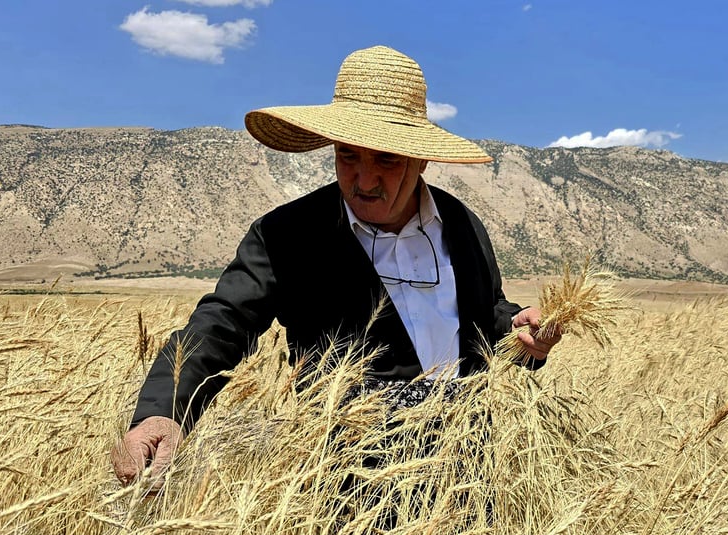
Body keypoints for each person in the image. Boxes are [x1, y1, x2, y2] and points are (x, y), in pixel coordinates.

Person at [111, 45, 562, 487]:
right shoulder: (287, 234)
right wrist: (164, 409)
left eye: (386, 158)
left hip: (465, 475)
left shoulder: (461, 226)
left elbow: (485, 317)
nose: (364, 180)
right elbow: (222, 324)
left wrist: (519, 331)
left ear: (422, 159)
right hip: (343, 489)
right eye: (348, 155)